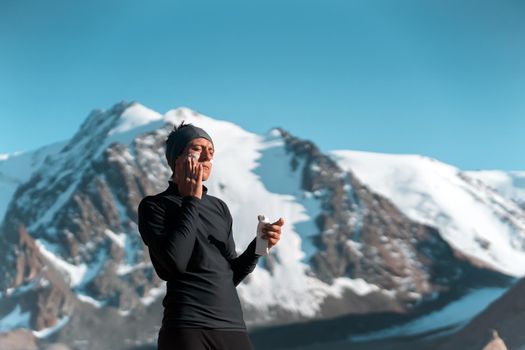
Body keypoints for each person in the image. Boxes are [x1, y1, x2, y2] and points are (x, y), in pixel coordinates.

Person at [137, 122, 284, 350]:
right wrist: (191, 201)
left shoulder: (219, 208)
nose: (206, 156)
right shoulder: (155, 206)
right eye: (196, 149)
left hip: (233, 329)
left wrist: (258, 246)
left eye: (211, 151)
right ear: (176, 159)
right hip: (186, 329)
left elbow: (229, 275)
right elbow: (172, 265)